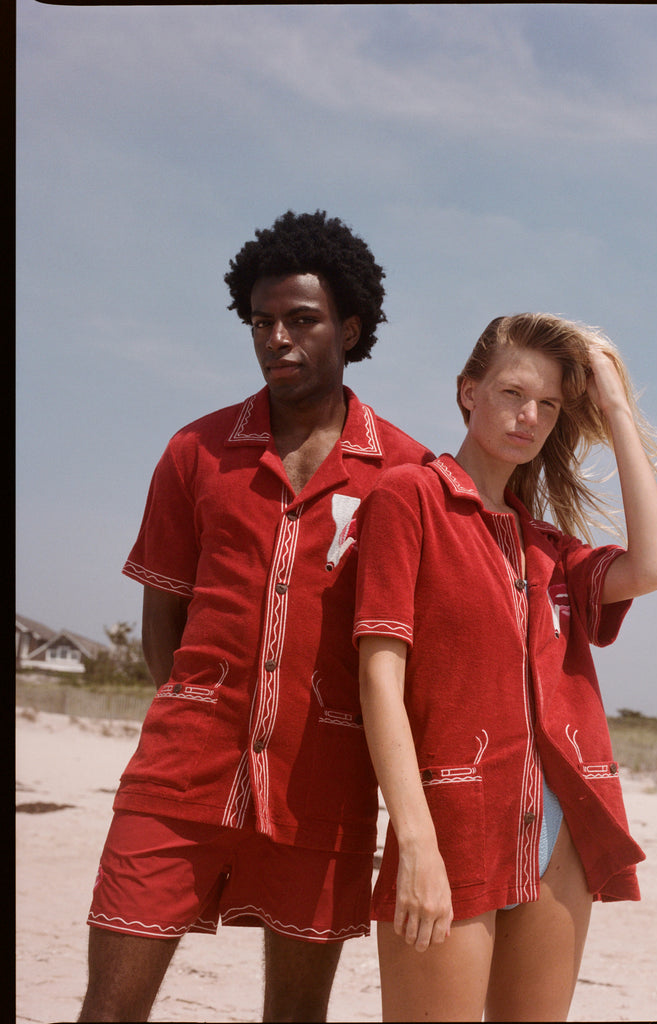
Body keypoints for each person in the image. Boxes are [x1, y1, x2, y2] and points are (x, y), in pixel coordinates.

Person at [78, 210, 433, 1023]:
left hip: (325, 789)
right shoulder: (195, 452)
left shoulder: (407, 474)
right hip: (178, 780)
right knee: (108, 1009)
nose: (278, 338)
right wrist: (199, 710)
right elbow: (162, 615)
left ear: (349, 328)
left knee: (297, 1015)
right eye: (261, 322)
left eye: (301, 321)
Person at [354, 312, 657, 1021]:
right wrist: (415, 845)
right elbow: (380, 679)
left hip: (564, 828)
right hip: (453, 822)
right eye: (512, 393)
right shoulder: (409, 500)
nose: (529, 417)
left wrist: (616, 406)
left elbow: (653, 566)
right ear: (469, 391)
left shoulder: (548, 548)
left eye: (550, 405)